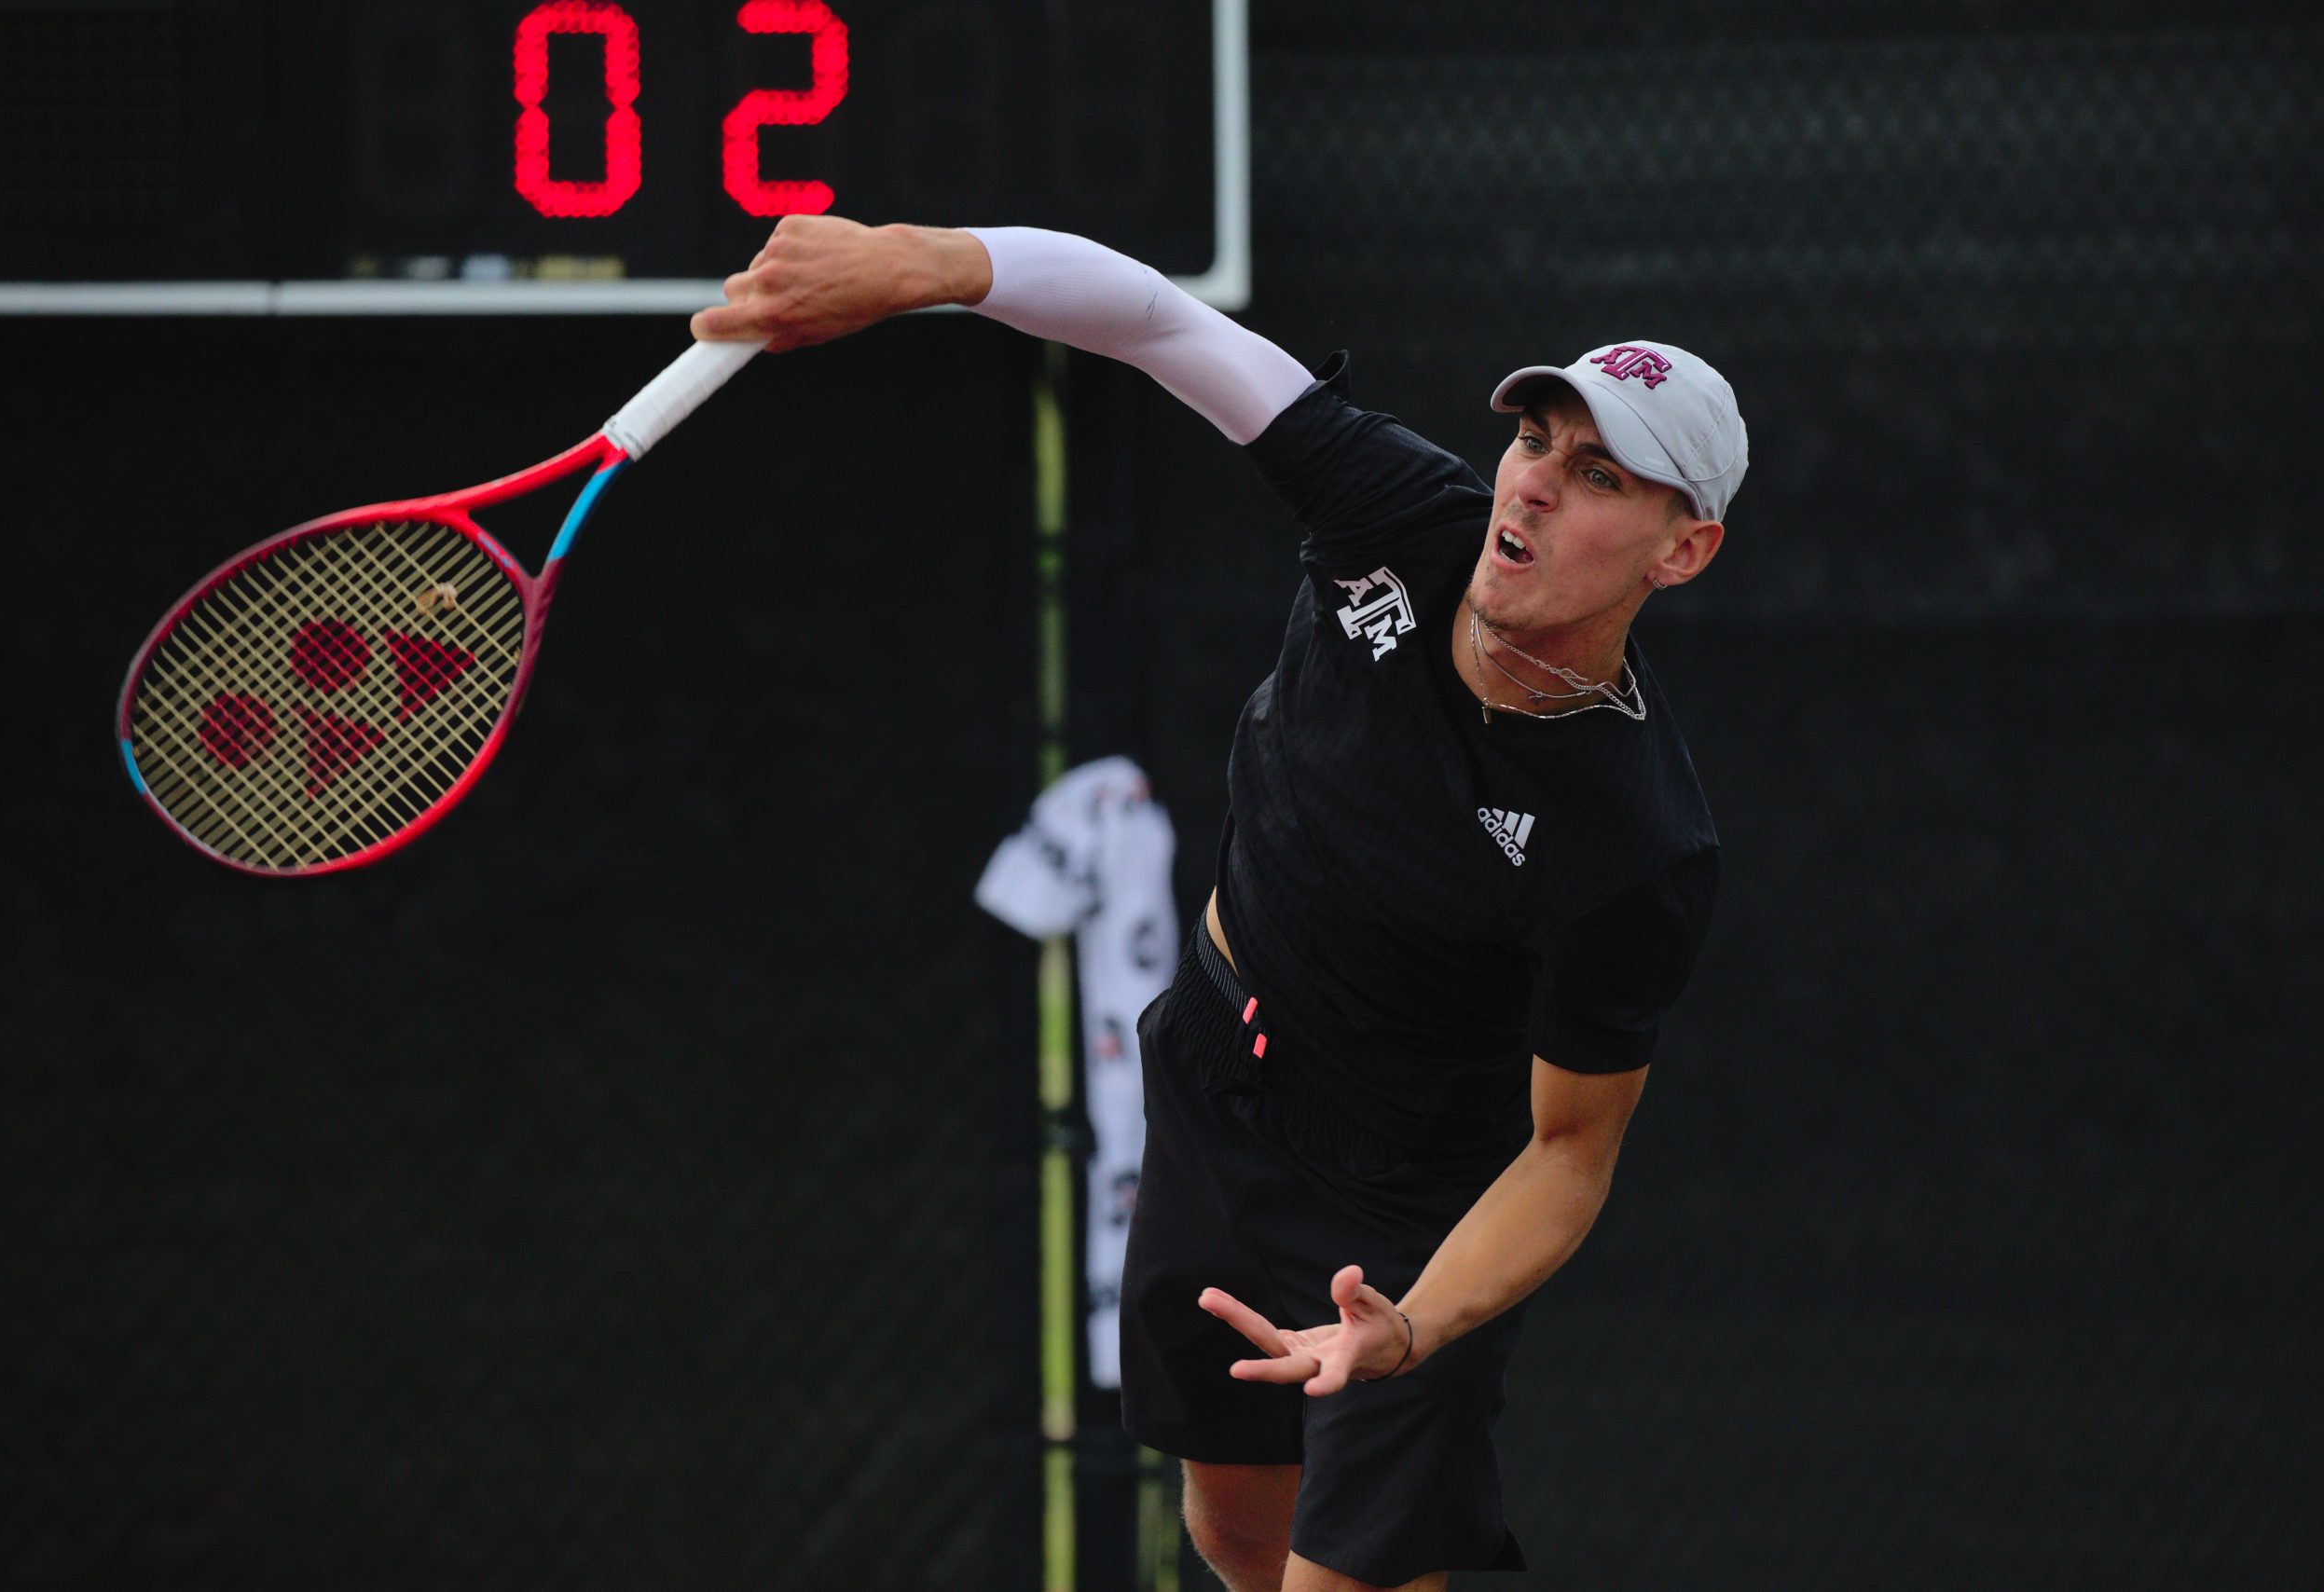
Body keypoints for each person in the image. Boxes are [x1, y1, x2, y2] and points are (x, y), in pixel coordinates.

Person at [694, 217, 1741, 1592]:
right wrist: (931, 262)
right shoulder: (1396, 513)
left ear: (1682, 552)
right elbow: (1160, 322)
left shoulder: (1635, 841)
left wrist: (1413, 1329)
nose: (1535, 486)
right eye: (1536, 440)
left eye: (1597, 472)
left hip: (1408, 1212)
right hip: (1211, 1081)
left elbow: (1568, 1155)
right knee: (1233, 1531)